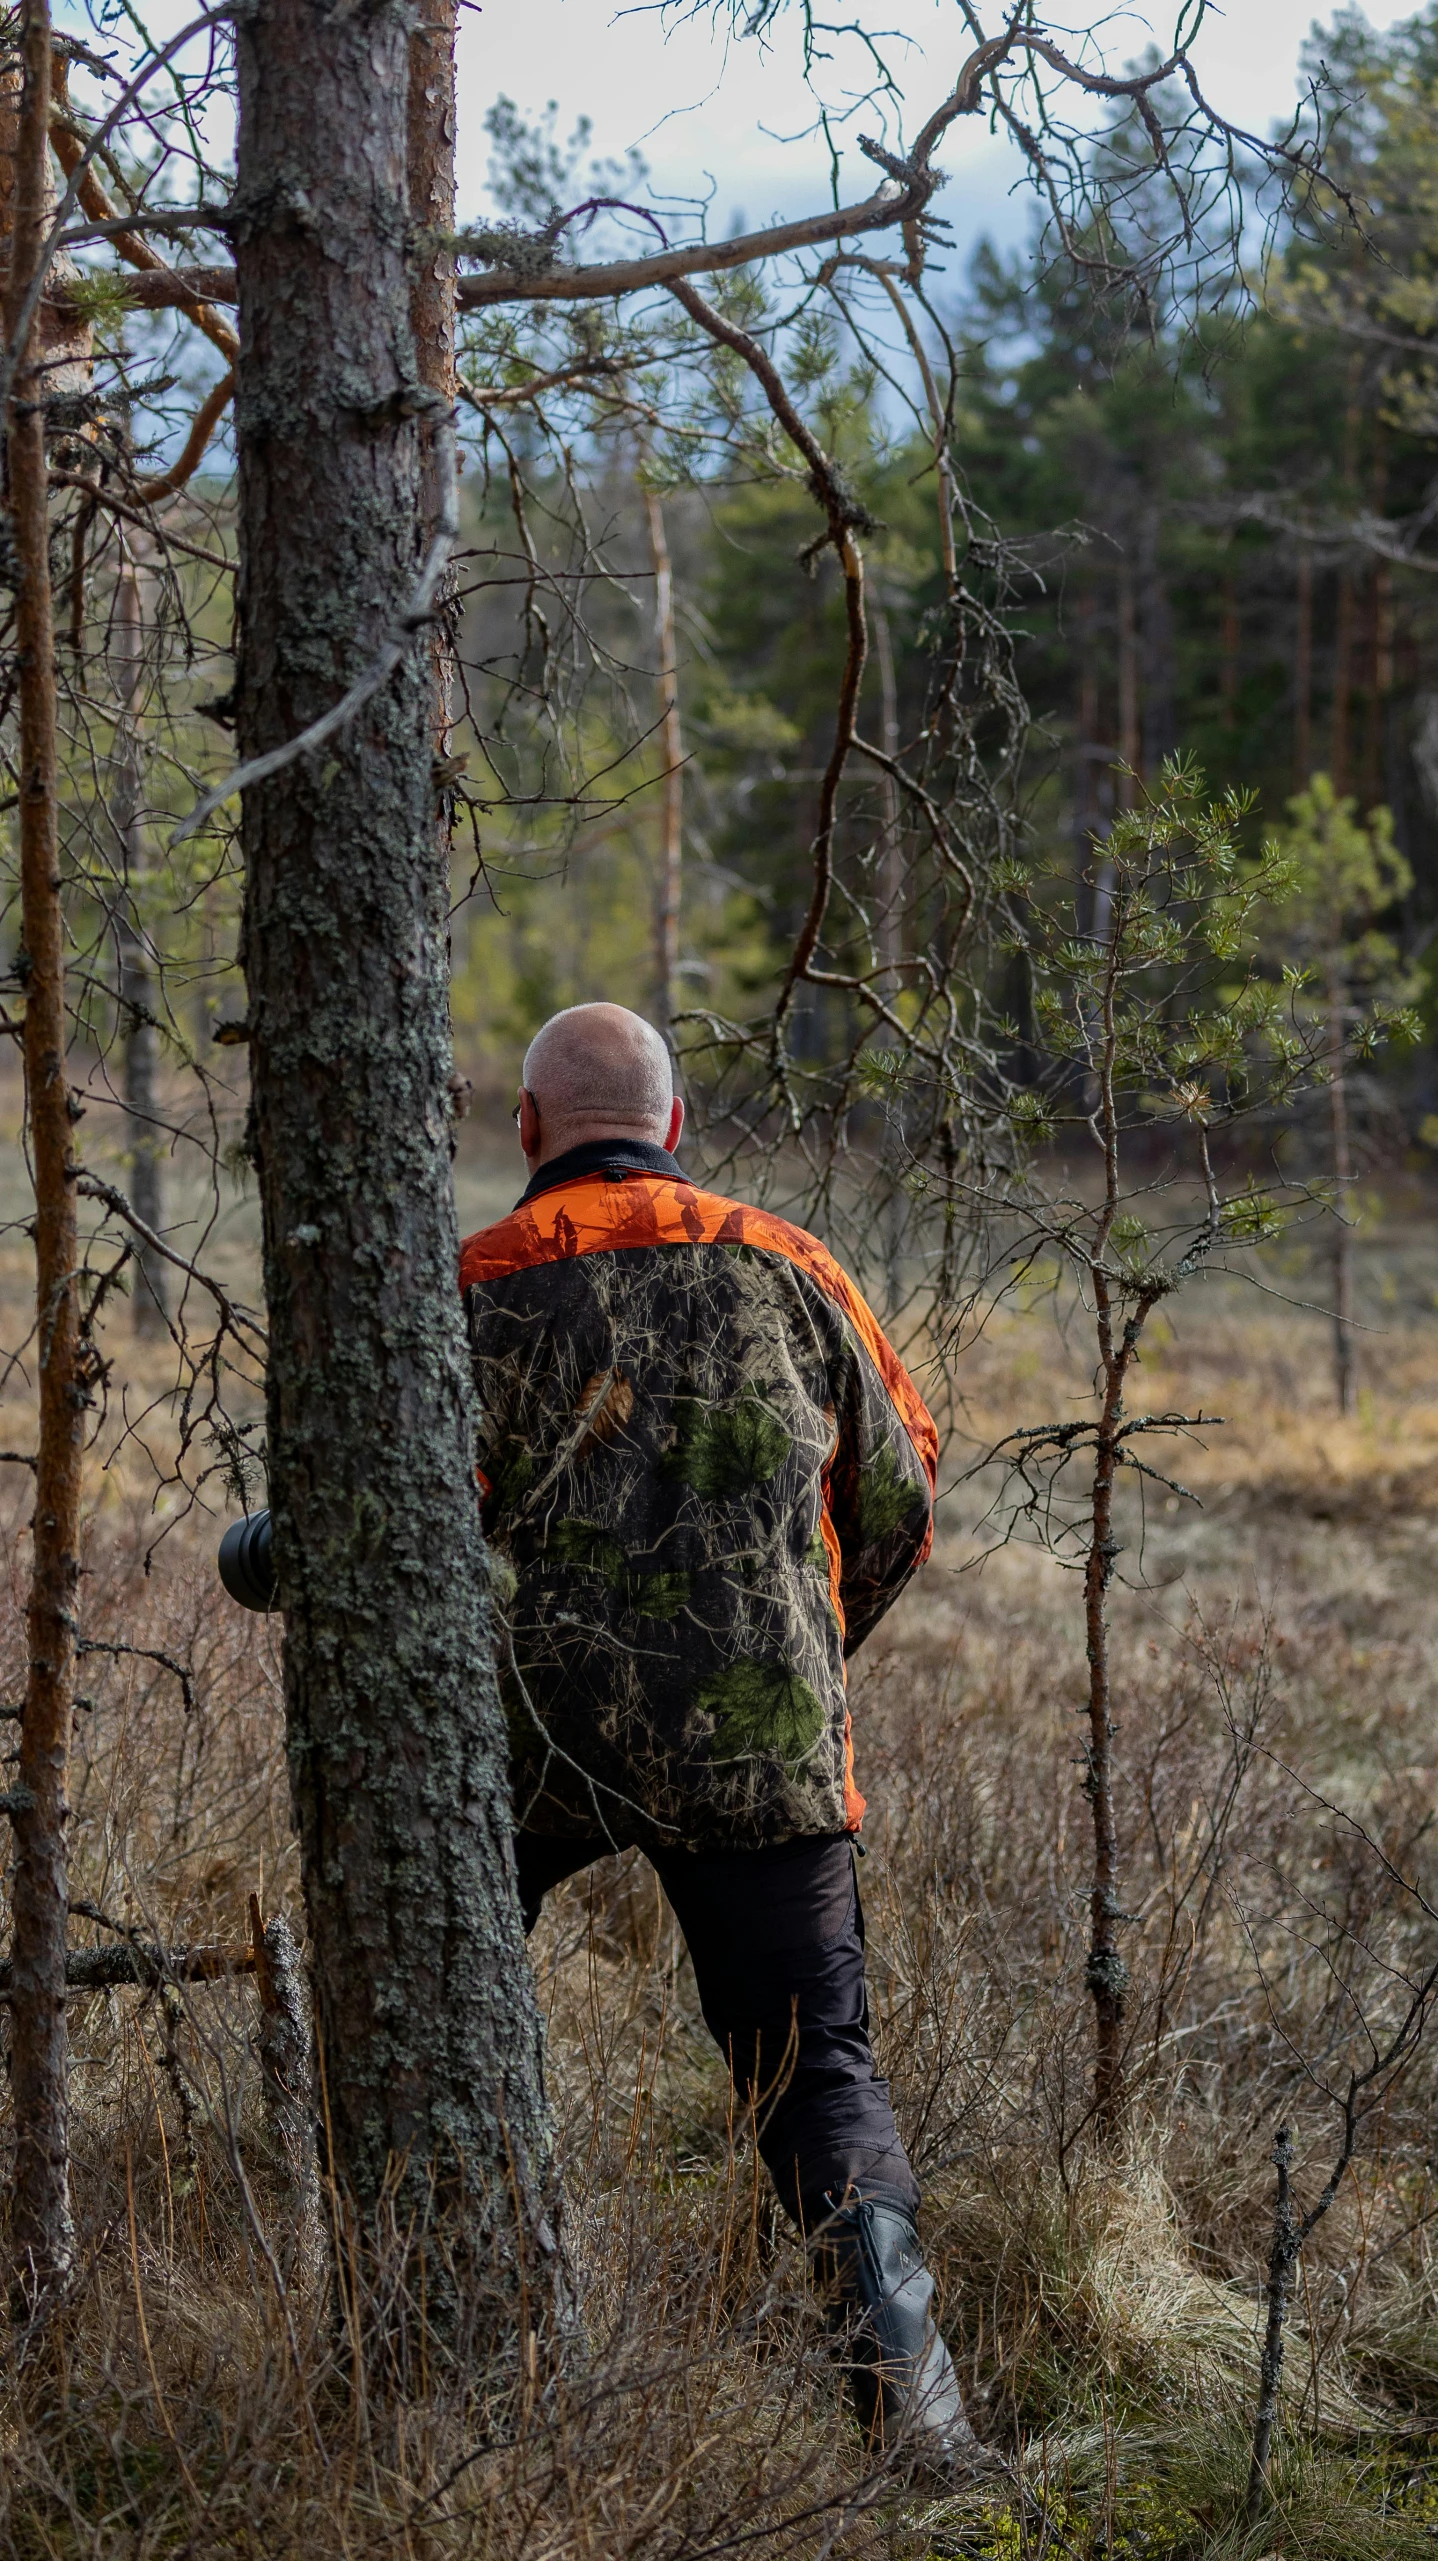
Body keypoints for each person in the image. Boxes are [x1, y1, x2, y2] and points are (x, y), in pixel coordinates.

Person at [459, 1002, 983, 2477]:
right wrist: (795, 1662)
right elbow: (901, 1496)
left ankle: (450, 2382)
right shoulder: (791, 1265)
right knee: (815, 2078)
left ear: (527, 1131)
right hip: (760, 1748)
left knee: (439, 2022)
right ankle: (917, 2435)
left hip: (524, 1746)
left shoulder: (472, 1282)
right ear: (673, 1125)